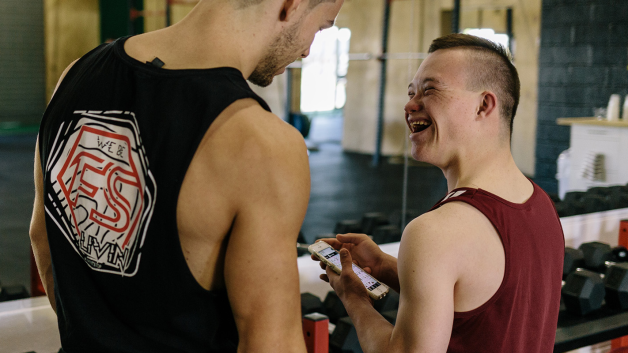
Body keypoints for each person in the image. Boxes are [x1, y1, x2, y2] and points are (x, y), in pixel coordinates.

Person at [29, 0, 343, 351]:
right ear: (292, 4)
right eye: (320, 27)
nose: (307, 50)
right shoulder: (260, 143)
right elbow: (272, 344)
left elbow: (42, 238)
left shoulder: (74, 76)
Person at [313, 34, 564, 352]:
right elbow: (480, 302)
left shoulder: (434, 233)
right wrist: (384, 266)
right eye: (411, 92)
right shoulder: (541, 206)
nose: (409, 105)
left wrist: (353, 297)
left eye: (429, 90)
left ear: (483, 105)